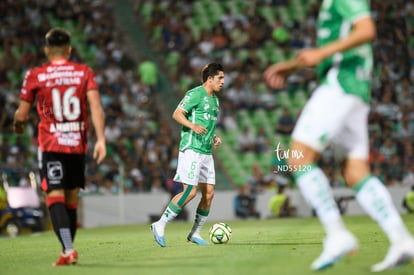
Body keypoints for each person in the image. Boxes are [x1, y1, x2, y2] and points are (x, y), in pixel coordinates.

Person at [263, 0, 414, 272]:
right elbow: (333, 50)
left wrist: (321, 53)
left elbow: (366, 30)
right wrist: (295, 66)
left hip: (341, 85)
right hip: (354, 88)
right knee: (356, 173)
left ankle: (336, 234)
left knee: (299, 158)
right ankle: (401, 240)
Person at [13, 28, 106, 266]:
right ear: (69, 49)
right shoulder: (83, 72)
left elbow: (22, 115)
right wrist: (102, 139)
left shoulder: (36, 75)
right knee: (71, 198)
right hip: (77, 144)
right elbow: (96, 107)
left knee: (54, 196)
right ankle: (68, 250)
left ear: (46, 50)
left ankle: (68, 249)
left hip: (52, 144)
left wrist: (18, 125)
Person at [151, 62, 224, 247]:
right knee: (190, 192)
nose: (223, 82)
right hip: (191, 149)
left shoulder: (215, 100)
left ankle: (195, 233)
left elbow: (205, 125)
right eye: (220, 78)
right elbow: (177, 114)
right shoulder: (195, 94)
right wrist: (191, 126)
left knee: (209, 193)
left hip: (206, 151)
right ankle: (160, 224)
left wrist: (213, 137)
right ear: (210, 79)